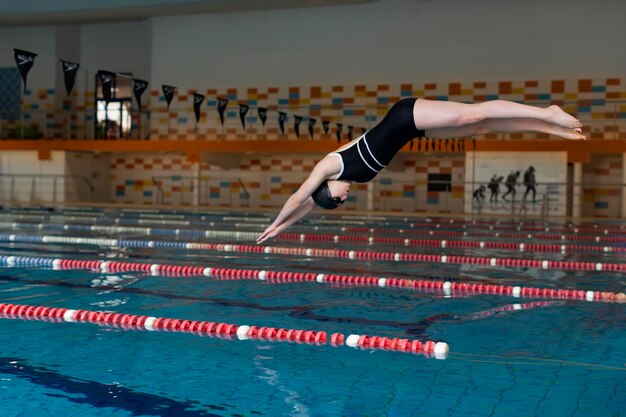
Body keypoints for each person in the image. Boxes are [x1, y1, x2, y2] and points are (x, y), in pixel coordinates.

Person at [256, 97, 585, 243]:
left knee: (472, 116)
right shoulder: (350, 176)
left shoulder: (330, 164)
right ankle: (548, 128)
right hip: (414, 130)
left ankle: (546, 113)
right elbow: (310, 204)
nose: (344, 200)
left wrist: (273, 222)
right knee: (479, 129)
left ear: (328, 188)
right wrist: (283, 230)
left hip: (405, 115)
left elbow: (301, 196)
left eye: (338, 201)